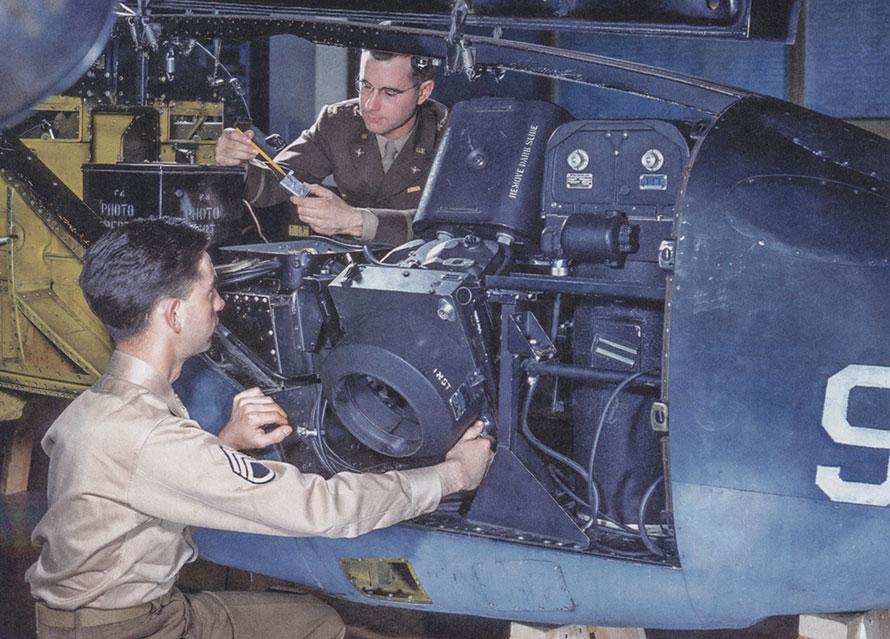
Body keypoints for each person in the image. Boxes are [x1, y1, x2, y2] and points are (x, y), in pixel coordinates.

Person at [25, 217, 494, 639]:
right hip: (127, 629)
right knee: (319, 624)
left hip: (109, 613)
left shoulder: (101, 406)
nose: (221, 303)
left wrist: (224, 447)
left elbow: (139, 485)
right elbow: (323, 511)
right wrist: (454, 475)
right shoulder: (146, 435)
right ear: (173, 314)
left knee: (315, 619)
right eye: (209, 291)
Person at [215, 49, 448, 245]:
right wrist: (238, 165)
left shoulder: (450, 134)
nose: (369, 104)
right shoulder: (338, 123)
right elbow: (281, 180)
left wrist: (356, 221)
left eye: (389, 93)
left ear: (424, 92)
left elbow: (452, 226)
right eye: (365, 85)